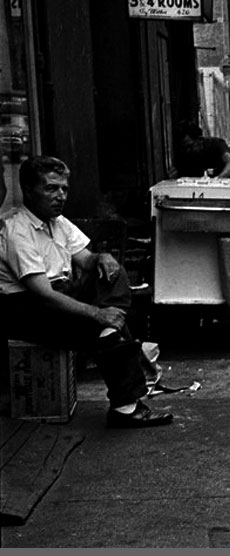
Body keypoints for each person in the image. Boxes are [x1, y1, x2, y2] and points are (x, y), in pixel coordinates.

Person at [0, 156, 172, 428]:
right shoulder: (16, 231)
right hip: (28, 308)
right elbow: (43, 294)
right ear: (28, 190)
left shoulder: (58, 222)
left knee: (113, 271)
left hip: (61, 292)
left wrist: (102, 257)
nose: (60, 196)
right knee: (103, 330)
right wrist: (97, 314)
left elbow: (86, 259)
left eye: (64, 189)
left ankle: (110, 335)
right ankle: (125, 407)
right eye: (51, 188)